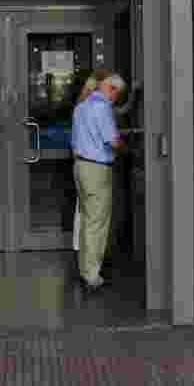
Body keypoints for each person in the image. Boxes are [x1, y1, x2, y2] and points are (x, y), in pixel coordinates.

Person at [71, 69, 128, 292]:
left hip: (80, 166)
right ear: (110, 88)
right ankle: (92, 276)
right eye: (117, 94)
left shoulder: (81, 106)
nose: (116, 99)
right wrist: (126, 145)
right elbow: (112, 141)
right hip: (97, 169)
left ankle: (85, 270)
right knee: (97, 224)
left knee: (87, 221)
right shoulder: (101, 107)